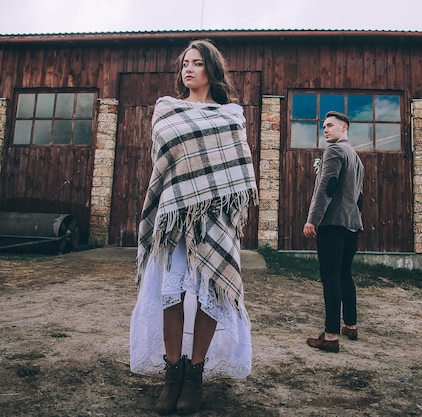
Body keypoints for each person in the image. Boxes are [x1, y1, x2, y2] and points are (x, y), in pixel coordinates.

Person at [130, 39, 258, 415]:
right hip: (174, 216)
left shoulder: (231, 114)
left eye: (198, 63)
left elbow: (236, 168)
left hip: (214, 220)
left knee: (208, 294)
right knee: (172, 294)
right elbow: (163, 161)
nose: (189, 69)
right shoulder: (167, 110)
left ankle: (195, 374)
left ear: (211, 70)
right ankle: (173, 374)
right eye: (185, 63)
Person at [303, 111, 364, 353]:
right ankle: (350, 325)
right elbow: (359, 197)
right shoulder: (355, 156)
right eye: (324, 126)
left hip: (333, 224)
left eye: (330, 126)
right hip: (352, 225)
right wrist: (356, 219)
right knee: (344, 275)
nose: (325, 130)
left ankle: (330, 336)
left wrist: (312, 220)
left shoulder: (335, 151)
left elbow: (325, 188)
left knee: (330, 277)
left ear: (344, 128)